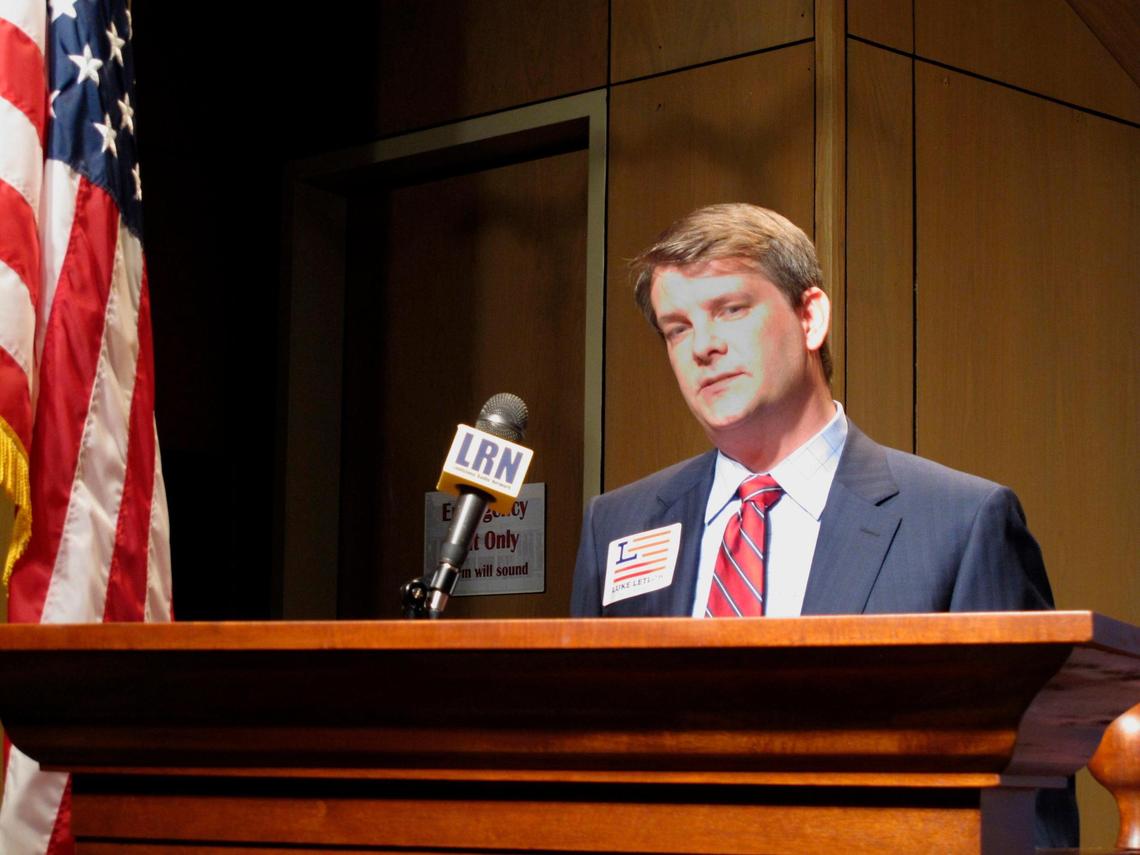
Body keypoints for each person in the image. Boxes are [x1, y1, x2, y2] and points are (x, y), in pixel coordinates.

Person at [569, 203, 1076, 846]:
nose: (703, 346)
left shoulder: (960, 523)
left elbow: (1030, 802)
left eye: (731, 309)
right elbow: (582, 767)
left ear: (811, 317)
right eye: (677, 328)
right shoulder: (617, 525)